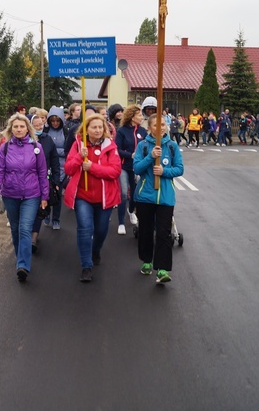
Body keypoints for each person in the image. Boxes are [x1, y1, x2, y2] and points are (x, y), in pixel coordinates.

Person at [0, 113, 49, 283]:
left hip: (31, 194)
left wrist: (45, 195)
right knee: (15, 229)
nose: (19, 129)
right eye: (15, 127)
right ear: (11, 129)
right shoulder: (5, 148)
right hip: (10, 194)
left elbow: (42, 172)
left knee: (24, 228)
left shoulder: (36, 147)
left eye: (22, 126)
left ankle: (23, 265)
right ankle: (20, 258)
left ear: (27, 129)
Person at [64, 113, 121, 282]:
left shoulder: (111, 146)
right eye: (93, 127)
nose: (97, 130)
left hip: (105, 198)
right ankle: (86, 266)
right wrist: (78, 157)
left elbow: (114, 171)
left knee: (101, 231)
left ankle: (95, 250)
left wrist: (92, 167)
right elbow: (68, 169)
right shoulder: (78, 145)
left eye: (100, 127)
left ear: (105, 129)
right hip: (83, 196)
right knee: (85, 228)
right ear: (86, 129)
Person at [133, 113, 184, 284]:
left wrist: (164, 172)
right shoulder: (143, 146)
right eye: (156, 125)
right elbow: (137, 168)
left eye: (163, 124)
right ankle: (147, 261)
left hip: (165, 198)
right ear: (149, 128)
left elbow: (179, 169)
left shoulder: (172, 146)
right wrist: (150, 157)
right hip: (145, 197)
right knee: (146, 231)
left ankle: (162, 269)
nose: (160, 127)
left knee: (164, 233)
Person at [29, 114, 60, 254]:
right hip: (27, 180)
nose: (38, 128)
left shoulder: (48, 140)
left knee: (39, 209)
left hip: (43, 180)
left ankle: (33, 239)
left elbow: (54, 161)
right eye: (35, 126)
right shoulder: (26, 140)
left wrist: (56, 180)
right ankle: (26, 233)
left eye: (40, 125)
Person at [114, 105, 147, 235]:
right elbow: (117, 149)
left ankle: (131, 211)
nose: (142, 117)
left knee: (135, 194)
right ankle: (121, 222)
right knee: (123, 193)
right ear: (132, 117)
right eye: (139, 115)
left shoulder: (143, 131)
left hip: (138, 167)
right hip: (124, 166)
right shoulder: (122, 131)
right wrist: (130, 155)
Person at [45, 106, 68, 230]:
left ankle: (56, 219)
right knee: (46, 192)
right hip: (47, 165)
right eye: (52, 120)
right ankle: (47, 213)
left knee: (57, 193)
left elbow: (68, 149)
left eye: (57, 120)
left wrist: (53, 151)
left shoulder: (65, 131)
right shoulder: (45, 130)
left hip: (61, 167)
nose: (55, 123)